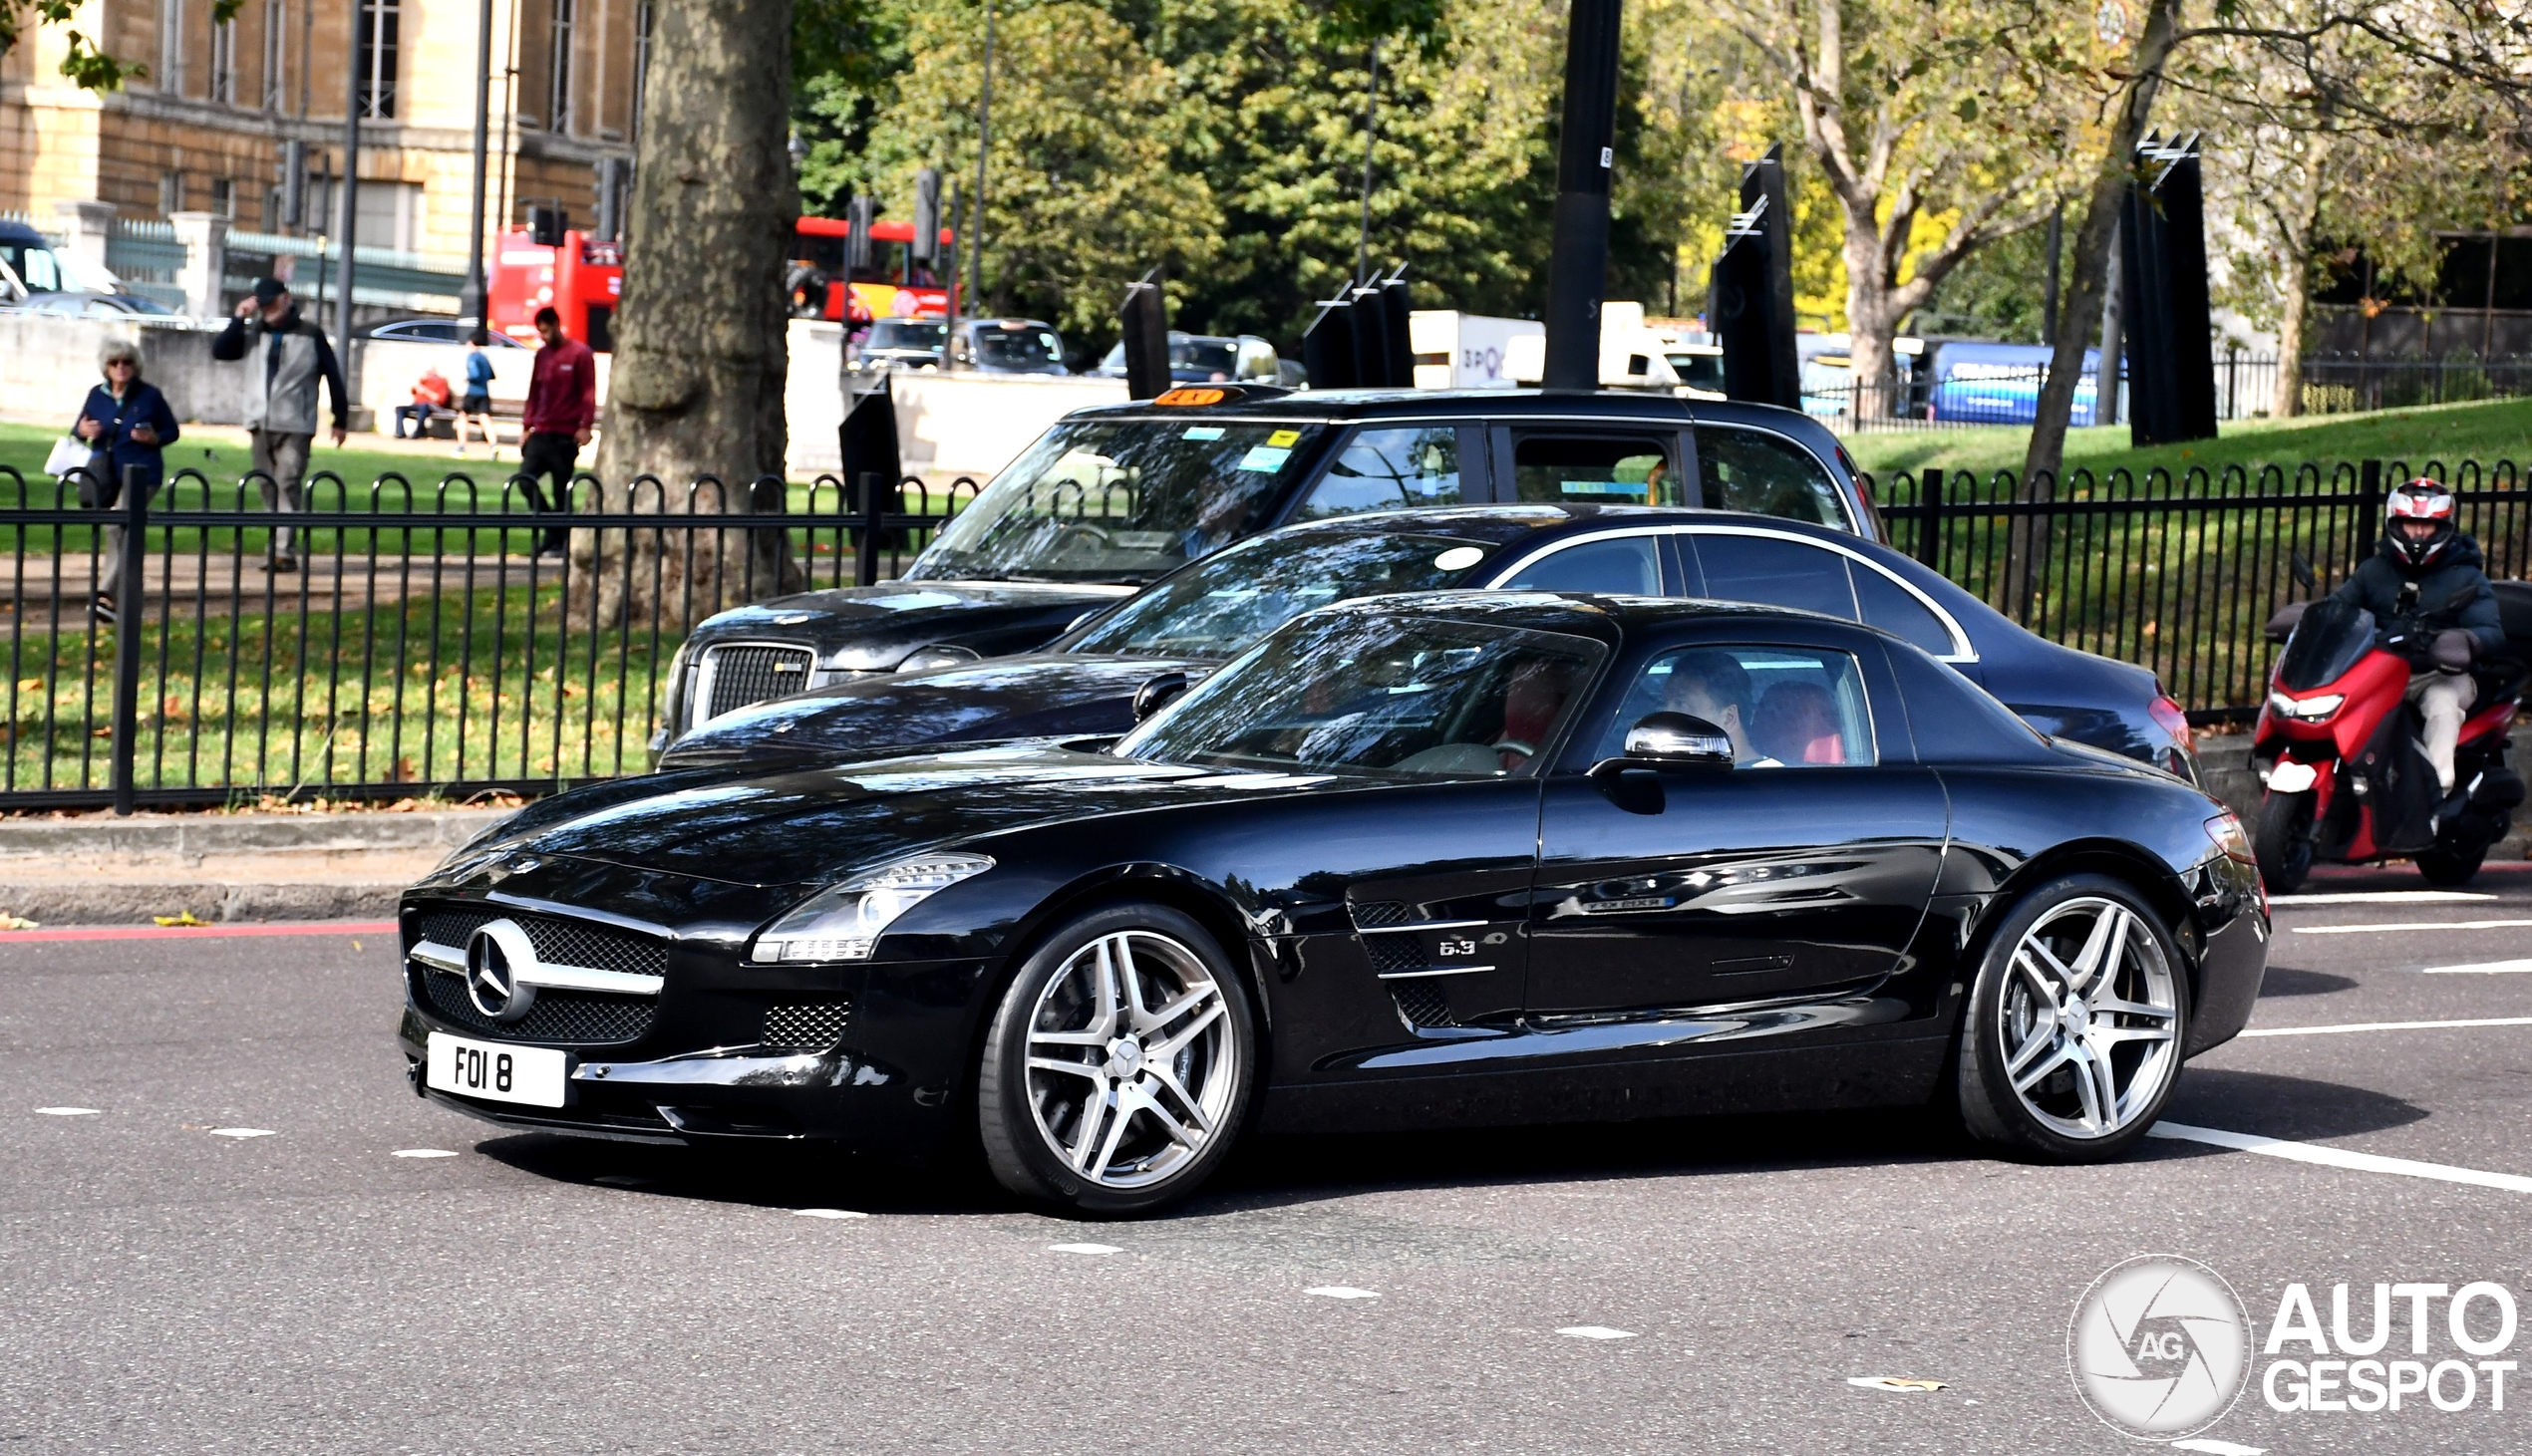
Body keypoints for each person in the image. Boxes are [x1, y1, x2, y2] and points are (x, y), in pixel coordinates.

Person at [2330, 478, 2507, 808]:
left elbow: (2492, 632)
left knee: (2441, 704)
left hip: (2441, 674)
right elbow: (2339, 607)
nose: (2418, 534)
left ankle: (2433, 799)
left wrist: (2463, 640)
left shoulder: (2466, 576)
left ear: (2444, 528)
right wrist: (2313, 617)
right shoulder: (2374, 570)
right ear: (2394, 524)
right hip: (2382, 669)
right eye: (2410, 524)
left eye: (2427, 526)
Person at [210, 277, 348, 573]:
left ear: (286, 299)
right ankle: (276, 546)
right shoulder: (255, 331)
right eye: (263, 305)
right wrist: (238, 318)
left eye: (272, 303)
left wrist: (340, 419)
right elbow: (221, 351)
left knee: (287, 482)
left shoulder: (310, 334)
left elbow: (333, 375)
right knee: (266, 485)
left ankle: (284, 552)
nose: (267, 311)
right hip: (260, 421)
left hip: (295, 423)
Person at [72, 338, 180, 622]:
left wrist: (153, 437)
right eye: (115, 363)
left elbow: (172, 431)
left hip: (142, 473)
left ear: (135, 366)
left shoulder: (150, 396)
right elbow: (78, 427)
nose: (121, 368)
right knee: (126, 535)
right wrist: (84, 430)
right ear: (105, 367)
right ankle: (125, 602)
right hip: (107, 474)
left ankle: (105, 593)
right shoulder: (97, 395)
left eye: (127, 362)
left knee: (115, 524)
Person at [518, 306, 595, 556]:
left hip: (565, 434)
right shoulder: (542, 356)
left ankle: (561, 541)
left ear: (556, 325)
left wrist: (585, 425)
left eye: (546, 331)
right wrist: (526, 425)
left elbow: (587, 392)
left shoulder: (580, 354)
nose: (543, 336)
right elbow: (534, 392)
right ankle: (554, 530)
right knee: (525, 480)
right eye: (540, 332)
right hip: (542, 431)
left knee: (562, 491)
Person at [455, 329, 499, 458]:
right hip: (484, 392)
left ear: (470, 343)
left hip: (473, 391)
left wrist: (467, 378)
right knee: (484, 417)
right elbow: (492, 375)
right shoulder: (484, 357)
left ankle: (461, 446)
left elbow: (475, 374)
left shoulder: (472, 357)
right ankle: (493, 444)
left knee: (463, 416)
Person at [396, 367, 452, 439]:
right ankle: (400, 432)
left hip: (432, 406)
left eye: (428, 372)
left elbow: (439, 399)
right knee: (399, 409)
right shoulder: (423, 381)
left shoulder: (441, 381)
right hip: (417, 405)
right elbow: (413, 391)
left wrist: (425, 391)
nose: (427, 374)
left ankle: (419, 431)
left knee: (424, 406)